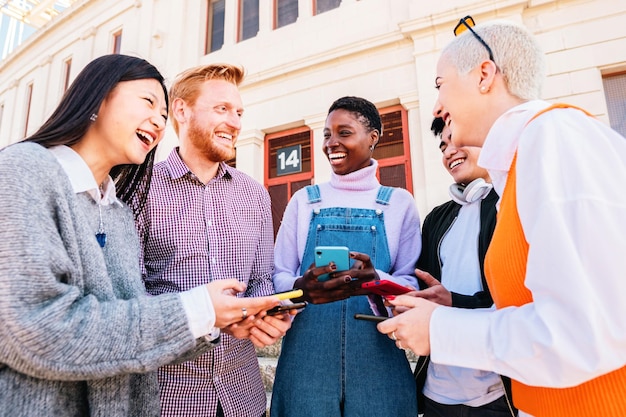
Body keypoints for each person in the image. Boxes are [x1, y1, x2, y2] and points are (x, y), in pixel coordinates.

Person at [0, 54, 282, 416]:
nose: (158, 121)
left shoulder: (114, 210)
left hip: (237, 396)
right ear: (97, 96)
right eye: (149, 102)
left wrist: (220, 319)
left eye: (162, 114)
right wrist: (202, 310)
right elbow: (35, 330)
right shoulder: (25, 169)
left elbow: (126, 317)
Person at [378, 18, 626, 417]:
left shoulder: (554, 138)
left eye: (440, 85)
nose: (438, 106)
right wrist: (448, 311)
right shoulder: (521, 165)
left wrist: (440, 330)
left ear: (485, 74)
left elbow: (583, 332)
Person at [134, 63, 291, 417]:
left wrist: (269, 315)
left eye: (238, 112)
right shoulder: (139, 189)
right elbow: (130, 296)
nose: (235, 123)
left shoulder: (255, 194)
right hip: (169, 398)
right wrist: (202, 315)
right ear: (181, 110)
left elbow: (261, 280)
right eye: (222, 109)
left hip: (244, 397)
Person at [271, 96, 421, 417]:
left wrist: (378, 281)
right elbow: (279, 274)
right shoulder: (304, 200)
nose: (331, 143)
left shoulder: (398, 203)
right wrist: (301, 287)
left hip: (377, 359)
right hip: (306, 361)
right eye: (327, 134)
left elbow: (411, 283)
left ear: (373, 138)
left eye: (344, 133)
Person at [411, 117, 516, 417]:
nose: (448, 151)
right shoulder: (435, 218)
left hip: (497, 395)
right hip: (437, 394)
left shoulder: (509, 205)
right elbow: (424, 289)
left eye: (458, 140)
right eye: (443, 145)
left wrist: (453, 301)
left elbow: (512, 302)